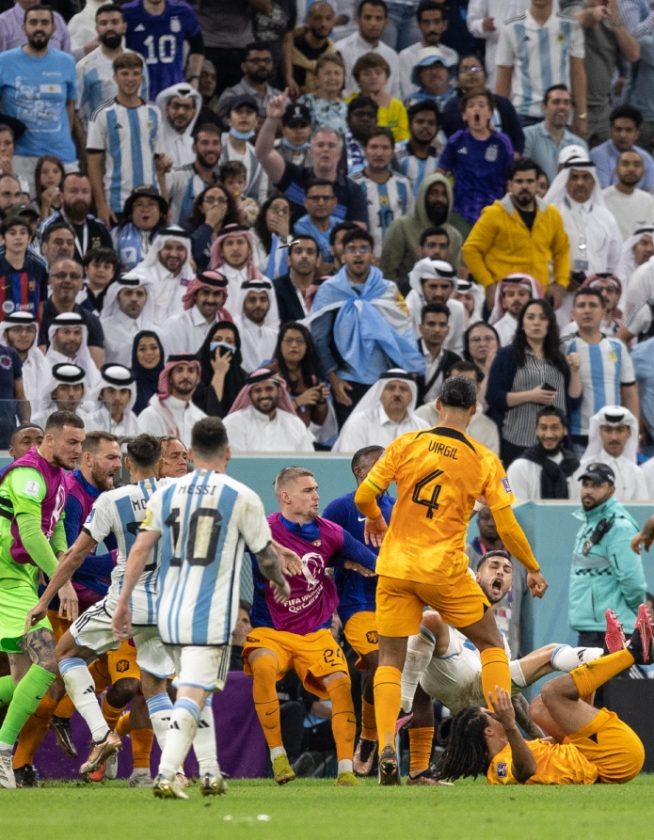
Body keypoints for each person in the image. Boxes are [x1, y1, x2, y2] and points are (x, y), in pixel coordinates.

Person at [354, 375, 548, 784]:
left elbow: (363, 496)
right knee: (491, 644)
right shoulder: (484, 459)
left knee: (390, 661)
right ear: (474, 410)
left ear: (438, 404)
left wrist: (375, 519)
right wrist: (532, 566)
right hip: (443, 570)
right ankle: (502, 730)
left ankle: (387, 743)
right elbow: (506, 524)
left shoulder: (406, 443)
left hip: (396, 567)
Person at [112, 417, 289, 799]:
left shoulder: (167, 493)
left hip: (167, 611)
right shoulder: (241, 495)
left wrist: (123, 601)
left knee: (199, 689)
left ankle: (209, 771)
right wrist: (280, 581)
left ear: (191, 454)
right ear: (228, 452)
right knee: (192, 692)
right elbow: (266, 556)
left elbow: (140, 549)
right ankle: (166, 773)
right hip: (208, 615)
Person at [400, 550, 602, 783]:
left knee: (552, 652)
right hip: (451, 674)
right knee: (431, 621)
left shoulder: (500, 641)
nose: (500, 572)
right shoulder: (452, 604)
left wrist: (537, 736)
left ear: (509, 587)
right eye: (494, 566)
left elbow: (511, 696)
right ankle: (403, 704)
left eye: (507, 570)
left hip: (483, 696)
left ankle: (602, 657)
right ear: (476, 576)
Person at [243, 465, 376, 786]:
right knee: (263, 668)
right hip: (270, 631)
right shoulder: (262, 529)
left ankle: (345, 770)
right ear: (285, 497)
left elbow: (373, 561)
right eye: (308, 490)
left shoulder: (331, 532)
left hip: (315, 634)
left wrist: (349, 562)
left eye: (316, 489)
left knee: (341, 684)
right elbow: (231, 541)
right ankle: (278, 757)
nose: (317, 495)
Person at [0, 410, 84, 789]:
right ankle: (3, 751)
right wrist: (60, 581)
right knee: (48, 662)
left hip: (19, 580)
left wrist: (62, 566)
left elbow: (56, 531)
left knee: (26, 681)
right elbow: (32, 534)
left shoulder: (59, 478)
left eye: (81, 443)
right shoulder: (28, 475)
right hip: (7, 581)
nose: (78, 449)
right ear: (50, 441)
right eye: (71, 442)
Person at [435, 637, 648, 784]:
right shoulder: (498, 768)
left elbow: (577, 733)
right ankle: (631, 653)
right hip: (615, 761)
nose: (497, 712)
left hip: (605, 755)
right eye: (490, 714)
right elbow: (526, 770)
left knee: (538, 708)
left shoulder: (525, 748)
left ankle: (609, 657)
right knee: (551, 692)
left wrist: (586, 688)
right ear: (488, 731)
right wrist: (510, 725)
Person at [309, 228, 425, 426]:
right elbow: (319, 339)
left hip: (385, 380)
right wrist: (334, 379)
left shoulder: (388, 289)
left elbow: (404, 330)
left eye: (364, 249)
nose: (358, 254)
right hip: (347, 382)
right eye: (351, 249)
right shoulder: (329, 290)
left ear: (372, 256)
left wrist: (408, 371)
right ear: (343, 256)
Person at [322, 445, 391, 776]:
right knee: (380, 663)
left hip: (396, 603)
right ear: (360, 472)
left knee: (395, 674)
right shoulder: (341, 507)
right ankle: (370, 738)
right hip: (357, 604)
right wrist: (349, 562)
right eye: (380, 464)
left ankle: (408, 760)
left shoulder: (398, 506)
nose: (388, 470)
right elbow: (319, 550)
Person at [464, 160, 570, 312]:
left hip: (539, 296)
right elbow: (470, 250)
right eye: (519, 181)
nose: (524, 186)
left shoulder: (551, 214)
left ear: (537, 184)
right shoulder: (494, 214)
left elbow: (562, 250)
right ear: (510, 185)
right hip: (504, 297)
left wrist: (560, 284)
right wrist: (488, 284)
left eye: (530, 181)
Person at [487, 298, 582, 466]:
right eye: (530, 317)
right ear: (522, 324)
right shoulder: (507, 355)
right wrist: (530, 396)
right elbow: (494, 396)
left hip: (555, 442)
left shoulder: (559, 358)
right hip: (517, 441)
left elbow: (572, 402)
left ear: (549, 324)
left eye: (543, 318)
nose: (536, 322)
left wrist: (575, 372)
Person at [255, 92, 368, 226]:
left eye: (331, 145)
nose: (325, 149)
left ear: (340, 153)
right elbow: (264, 153)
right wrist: (272, 119)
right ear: (310, 151)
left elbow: (358, 232)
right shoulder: (294, 177)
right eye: (320, 145)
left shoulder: (354, 191)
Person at [0, 5, 77, 195]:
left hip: (62, 155)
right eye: (33, 22)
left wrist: (64, 138)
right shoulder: (4, 61)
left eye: (44, 22)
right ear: (23, 27)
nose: (39, 28)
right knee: (24, 210)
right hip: (21, 156)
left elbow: (70, 105)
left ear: (54, 28)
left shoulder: (67, 62)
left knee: (65, 210)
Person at [570, 462, 646, 648]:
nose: (588, 491)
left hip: (611, 631)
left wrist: (631, 616)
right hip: (592, 629)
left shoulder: (620, 527)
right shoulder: (588, 525)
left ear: (611, 489)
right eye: (586, 485)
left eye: (596, 485)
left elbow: (632, 581)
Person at [86, 52, 167, 228]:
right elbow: (93, 164)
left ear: (141, 78)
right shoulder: (101, 114)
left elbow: (159, 163)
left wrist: (164, 202)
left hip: (151, 202)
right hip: (117, 202)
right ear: (115, 77)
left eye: (135, 73)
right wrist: (101, 205)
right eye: (124, 74)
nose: (130, 79)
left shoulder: (154, 113)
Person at [495, 0, 587, 135]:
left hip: (560, 113)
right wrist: (501, 119)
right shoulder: (511, 27)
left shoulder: (571, 25)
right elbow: (504, 75)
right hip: (523, 113)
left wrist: (582, 115)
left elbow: (577, 72)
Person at [563, 288, 638, 449]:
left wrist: (634, 433)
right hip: (577, 436)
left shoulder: (618, 347)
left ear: (604, 312)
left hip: (613, 434)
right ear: (573, 314)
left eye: (593, 305)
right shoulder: (565, 347)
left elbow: (629, 392)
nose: (587, 310)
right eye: (581, 305)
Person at [437, 89, 513, 237]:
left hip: (494, 211)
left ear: (490, 113)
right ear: (464, 115)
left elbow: (511, 177)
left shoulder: (502, 142)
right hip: (461, 212)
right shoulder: (456, 140)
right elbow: (440, 171)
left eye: (481, 105)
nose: (476, 109)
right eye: (471, 106)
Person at [544, 149, 622, 280]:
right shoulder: (551, 215)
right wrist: (562, 278)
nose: (580, 183)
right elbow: (542, 256)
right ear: (565, 181)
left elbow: (614, 261)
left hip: (597, 289)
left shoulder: (606, 217)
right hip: (560, 288)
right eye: (574, 177)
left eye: (585, 177)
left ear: (594, 181)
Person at [75, 3, 148, 131]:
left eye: (115, 22)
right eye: (104, 23)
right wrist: (85, 142)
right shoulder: (84, 66)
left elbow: (144, 100)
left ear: (124, 27)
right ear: (97, 29)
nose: (109, 27)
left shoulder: (138, 60)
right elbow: (75, 111)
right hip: (98, 138)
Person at [440, 52, 524, 155]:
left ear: (485, 74)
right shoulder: (452, 107)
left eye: (475, 69)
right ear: (457, 78)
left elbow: (518, 138)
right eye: (465, 69)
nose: (471, 73)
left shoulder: (503, 103)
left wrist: (513, 158)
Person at [122, 0, 204, 101]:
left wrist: (194, 78)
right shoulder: (127, 13)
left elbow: (197, 44)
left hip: (174, 93)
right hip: (138, 93)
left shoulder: (183, 11)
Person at [351, 128, 413, 257]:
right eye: (374, 147)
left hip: (398, 260)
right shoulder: (352, 184)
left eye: (385, 148)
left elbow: (410, 225)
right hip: (363, 259)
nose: (379, 153)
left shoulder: (404, 184)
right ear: (365, 150)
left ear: (392, 151)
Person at [333, 369, 429, 452]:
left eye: (403, 389)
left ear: (411, 397)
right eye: (391, 388)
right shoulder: (359, 423)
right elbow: (351, 463)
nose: (397, 393)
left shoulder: (423, 428)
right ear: (379, 394)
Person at [222, 368, 316, 453]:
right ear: (249, 395)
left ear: (279, 392)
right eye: (257, 390)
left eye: (269, 389)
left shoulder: (295, 424)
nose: (264, 395)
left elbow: (308, 461)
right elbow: (233, 463)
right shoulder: (233, 423)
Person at [416, 360, 500, 454]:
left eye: (469, 382)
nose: (461, 388)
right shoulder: (423, 414)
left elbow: (489, 462)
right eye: (455, 382)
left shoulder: (489, 428)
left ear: (479, 387)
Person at [269, 322, 332, 437]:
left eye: (300, 341)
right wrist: (298, 402)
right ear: (280, 345)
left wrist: (321, 401)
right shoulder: (268, 374)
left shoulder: (311, 377)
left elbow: (319, 421)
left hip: (301, 437)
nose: (294, 345)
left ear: (307, 346)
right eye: (289, 340)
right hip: (272, 436)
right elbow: (264, 412)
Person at [575, 406, 648, 503]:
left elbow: (642, 509)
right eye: (608, 430)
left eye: (620, 430)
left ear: (629, 433)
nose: (614, 437)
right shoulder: (582, 468)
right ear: (600, 432)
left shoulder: (636, 473)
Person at [507, 406, 580, 501]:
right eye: (543, 428)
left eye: (555, 428)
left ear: (565, 430)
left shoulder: (577, 467)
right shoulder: (519, 468)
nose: (549, 435)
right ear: (536, 431)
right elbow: (514, 505)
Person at [522, 84, 587, 184]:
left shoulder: (579, 145)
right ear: (544, 107)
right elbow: (522, 173)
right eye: (556, 102)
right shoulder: (528, 136)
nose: (562, 107)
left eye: (566, 103)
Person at [139, 354, 206, 447]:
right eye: (179, 370)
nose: (185, 376)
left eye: (191, 371)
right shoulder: (152, 415)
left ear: (197, 378)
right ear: (169, 377)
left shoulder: (201, 418)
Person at [338, 0, 400, 97]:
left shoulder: (392, 56)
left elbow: (395, 95)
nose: (373, 23)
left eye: (378, 18)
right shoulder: (341, 50)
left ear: (386, 23)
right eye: (368, 18)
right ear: (358, 20)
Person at [398, 1, 457, 100]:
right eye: (426, 22)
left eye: (436, 22)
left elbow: (452, 92)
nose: (431, 28)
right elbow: (408, 94)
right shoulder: (406, 55)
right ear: (419, 26)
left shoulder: (452, 55)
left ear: (444, 25)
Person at [167, 125, 224, 229]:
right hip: (179, 237)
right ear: (194, 148)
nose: (210, 148)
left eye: (215, 143)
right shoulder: (177, 175)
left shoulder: (224, 180)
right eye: (205, 143)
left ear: (221, 148)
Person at [164, 270, 231, 357]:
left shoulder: (227, 325)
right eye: (205, 293)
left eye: (216, 294)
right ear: (195, 295)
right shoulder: (176, 324)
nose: (210, 300)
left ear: (223, 299)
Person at [590, 105, 654, 191]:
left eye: (628, 130)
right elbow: (603, 193)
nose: (622, 135)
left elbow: (651, 192)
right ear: (610, 131)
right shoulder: (598, 155)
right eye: (618, 129)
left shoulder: (646, 158)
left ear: (637, 134)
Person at [349, 52, 409, 142]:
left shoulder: (398, 106)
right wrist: (382, 109)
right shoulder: (349, 103)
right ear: (358, 80)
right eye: (366, 74)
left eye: (378, 73)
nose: (373, 77)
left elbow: (404, 139)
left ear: (386, 78)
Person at [192, 321, 247, 418]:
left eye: (229, 341)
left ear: (236, 347)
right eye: (217, 340)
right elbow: (210, 408)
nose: (222, 344)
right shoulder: (194, 372)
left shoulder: (243, 378)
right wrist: (219, 373)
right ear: (208, 343)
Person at [216, 42, 282, 122]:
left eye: (267, 61)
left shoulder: (280, 96)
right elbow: (222, 123)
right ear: (243, 67)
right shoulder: (231, 95)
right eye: (256, 61)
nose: (263, 65)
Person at [0, 215, 48, 319]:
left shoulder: (39, 268)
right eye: (12, 233)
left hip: (31, 327)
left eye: (23, 233)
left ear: (29, 239)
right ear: (3, 238)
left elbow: (41, 304)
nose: (18, 237)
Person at [601, 150, 654, 241]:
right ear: (616, 170)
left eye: (637, 165)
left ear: (643, 172)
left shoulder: (649, 200)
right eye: (625, 164)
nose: (631, 169)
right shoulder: (602, 199)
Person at [395, 101, 443, 198]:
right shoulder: (394, 153)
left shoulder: (442, 158)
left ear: (437, 129)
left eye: (431, 123)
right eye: (420, 122)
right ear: (409, 126)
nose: (425, 126)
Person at [292, 1, 339, 94]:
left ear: (333, 22)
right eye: (317, 18)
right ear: (308, 21)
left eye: (328, 19)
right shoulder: (291, 50)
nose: (323, 24)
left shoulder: (334, 53)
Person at [273, 236, 321, 323]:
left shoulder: (325, 289)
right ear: (288, 260)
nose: (304, 256)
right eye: (298, 251)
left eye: (310, 252)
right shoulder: (275, 289)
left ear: (318, 260)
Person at [297, 53, 347, 134]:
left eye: (337, 73)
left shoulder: (347, 108)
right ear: (317, 77)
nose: (332, 78)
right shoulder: (305, 102)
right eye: (327, 73)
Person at [155, 82, 202, 169]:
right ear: (166, 109)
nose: (181, 112)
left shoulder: (197, 147)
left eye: (187, 107)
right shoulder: (155, 143)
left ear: (194, 112)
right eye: (176, 106)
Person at [85, 364, 140, 436]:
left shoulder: (133, 420)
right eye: (111, 391)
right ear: (101, 394)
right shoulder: (89, 422)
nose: (117, 398)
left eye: (123, 391)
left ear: (130, 396)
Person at [131, 329, 164, 415]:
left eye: (154, 348)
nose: (149, 353)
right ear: (135, 353)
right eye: (142, 349)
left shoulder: (171, 380)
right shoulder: (129, 384)